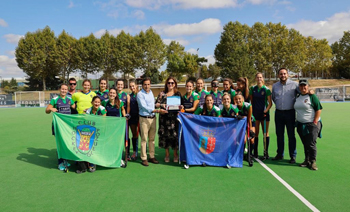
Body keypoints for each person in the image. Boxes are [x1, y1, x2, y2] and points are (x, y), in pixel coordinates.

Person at [137, 77, 167, 166]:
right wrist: (158, 111)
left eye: (148, 84)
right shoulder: (140, 94)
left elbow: (152, 105)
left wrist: (160, 105)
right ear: (142, 85)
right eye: (145, 84)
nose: (147, 86)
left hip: (153, 118)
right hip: (144, 119)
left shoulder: (151, 93)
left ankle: (152, 156)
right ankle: (144, 158)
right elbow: (144, 107)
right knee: (144, 139)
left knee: (152, 139)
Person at [45, 83, 75, 171]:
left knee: (66, 144)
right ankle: (60, 163)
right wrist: (51, 109)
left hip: (67, 127)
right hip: (58, 126)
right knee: (60, 145)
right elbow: (46, 110)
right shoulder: (55, 99)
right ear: (60, 89)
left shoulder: (70, 99)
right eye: (62, 89)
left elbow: (74, 107)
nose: (64, 91)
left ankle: (65, 160)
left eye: (66, 89)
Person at [294, 80, 322, 170]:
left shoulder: (312, 96)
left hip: (311, 124)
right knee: (305, 143)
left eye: (305, 85)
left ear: (308, 86)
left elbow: (319, 109)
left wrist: (315, 121)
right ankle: (307, 160)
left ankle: (313, 161)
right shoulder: (298, 96)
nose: (303, 87)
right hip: (300, 124)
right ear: (299, 87)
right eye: (301, 86)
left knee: (311, 143)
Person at [271, 68, 298, 163]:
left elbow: (301, 94)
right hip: (278, 113)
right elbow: (273, 98)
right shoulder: (275, 86)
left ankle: (293, 156)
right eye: (281, 74)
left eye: (284, 74)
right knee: (279, 135)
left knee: (291, 135)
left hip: (290, 113)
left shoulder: (295, 85)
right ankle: (280, 154)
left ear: (288, 74)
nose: (283, 75)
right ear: (278, 75)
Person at [155, 77, 182, 163]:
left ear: (175, 84)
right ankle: (167, 155)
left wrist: (181, 108)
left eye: (172, 83)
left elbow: (181, 105)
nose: (170, 84)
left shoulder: (178, 94)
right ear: (166, 84)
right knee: (165, 136)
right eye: (169, 83)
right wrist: (160, 105)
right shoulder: (162, 94)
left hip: (174, 119)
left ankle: (175, 154)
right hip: (164, 118)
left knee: (175, 136)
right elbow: (156, 104)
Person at [79, 96, 106, 173]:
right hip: (91, 131)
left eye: (98, 102)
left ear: (100, 103)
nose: (97, 103)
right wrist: (84, 113)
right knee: (90, 147)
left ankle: (94, 163)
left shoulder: (102, 109)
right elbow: (86, 120)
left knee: (97, 147)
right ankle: (90, 163)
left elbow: (104, 120)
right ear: (92, 102)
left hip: (100, 130)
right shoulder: (89, 110)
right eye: (95, 102)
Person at [249, 72, 273, 159]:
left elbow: (270, 103)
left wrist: (265, 111)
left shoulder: (266, 90)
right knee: (256, 134)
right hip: (255, 114)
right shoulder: (253, 89)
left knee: (265, 133)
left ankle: (265, 152)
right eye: (257, 77)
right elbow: (251, 102)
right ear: (255, 78)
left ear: (262, 78)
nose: (259, 79)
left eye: (260, 77)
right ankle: (255, 152)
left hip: (264, 114)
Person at [234, 93, 256, 161]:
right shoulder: (234, 107)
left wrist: (251, 129)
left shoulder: (248, 106)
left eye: (239, 99)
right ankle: (242, 154)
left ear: (243, 99)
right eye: (236, 99)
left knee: (252, 139)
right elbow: (236, 116)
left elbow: (249, 118)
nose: (238, 100)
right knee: (243, 140)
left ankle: (250, 154)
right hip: (241, 123)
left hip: (250, 122)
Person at [116, 79, 131, 159]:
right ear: (116, 85)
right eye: (118, 84)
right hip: (116, 119)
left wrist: (126, 115)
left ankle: (127, 153)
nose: (120, 86)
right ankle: (118, 153)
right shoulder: (114, 94)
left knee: (126, 136)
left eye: (121, 85)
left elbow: (128, 106)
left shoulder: (126, 95)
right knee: (117, 137)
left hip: (124, 119)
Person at [127, 80, 140, 160]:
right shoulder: (129, 96)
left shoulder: (140, 94)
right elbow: (128, 105)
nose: (132, 88)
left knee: (142, 135)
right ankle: (134, 152)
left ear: (136, 86)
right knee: (134, 134)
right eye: (130, 86)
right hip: (132, 117)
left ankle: (143, 153)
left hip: (141, 117)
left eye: (133, 86)